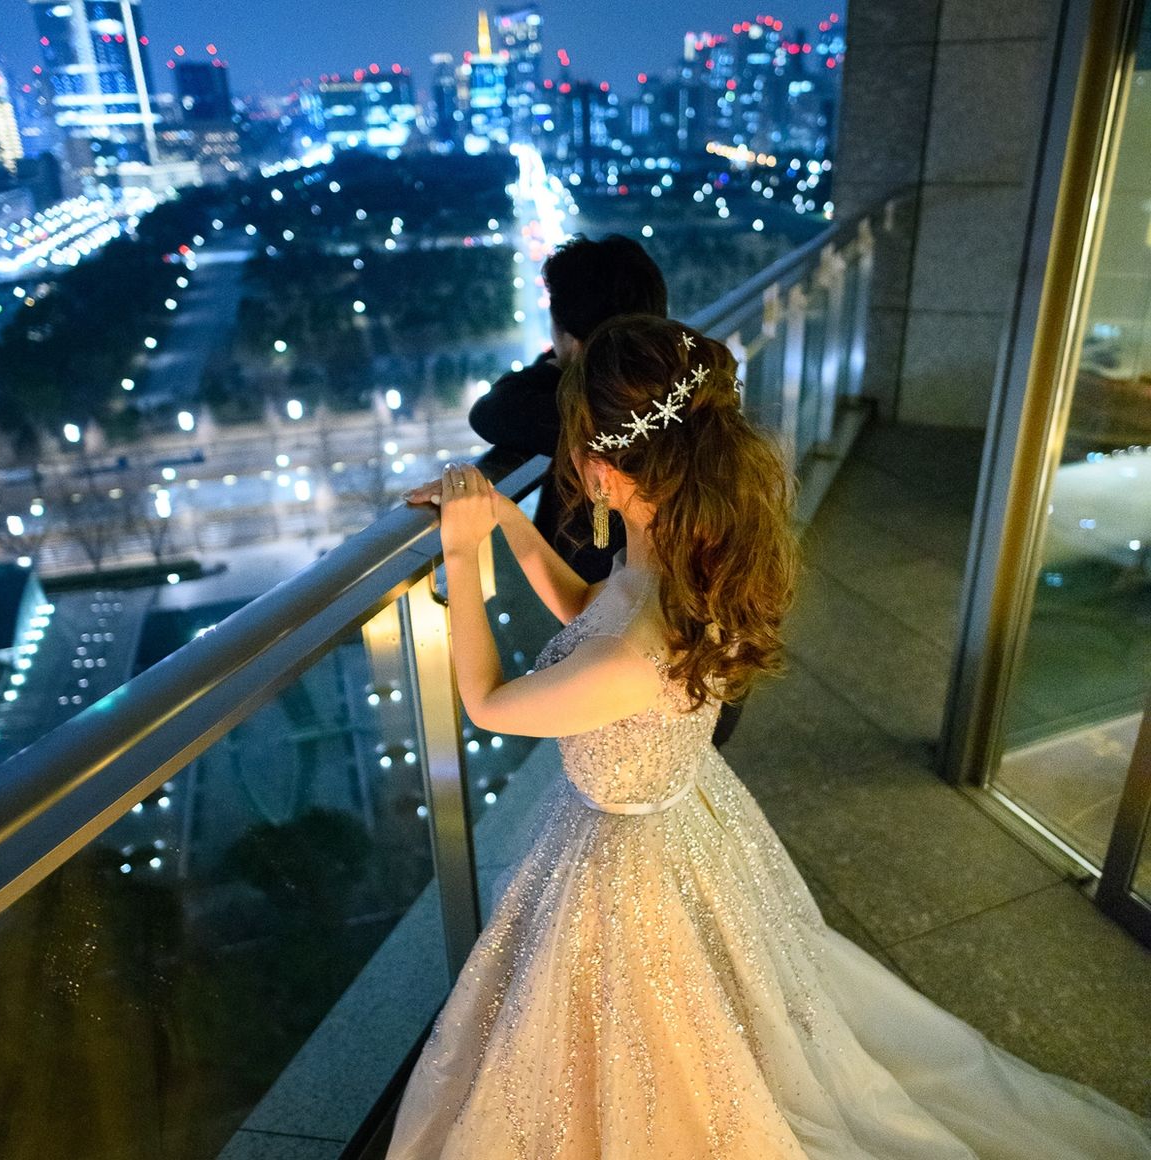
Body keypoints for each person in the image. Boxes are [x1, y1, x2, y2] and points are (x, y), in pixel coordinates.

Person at [392, 316, 1151, 1159]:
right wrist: (503, 515)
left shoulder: (632, 650)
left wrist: (460, 555)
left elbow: (488, 701)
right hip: (678, 821)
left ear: (601, 472)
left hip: (624, 867)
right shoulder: (680, 560)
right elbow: (584, 607)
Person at [468, 233, 667, 582]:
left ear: (574, 343)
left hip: (600, 592)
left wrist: (557, 366)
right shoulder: (674, 386)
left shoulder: (587, 414)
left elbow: (490, 412)